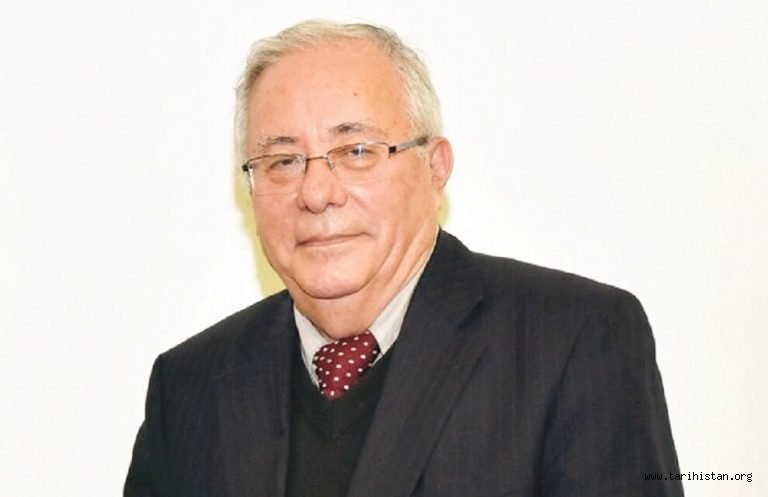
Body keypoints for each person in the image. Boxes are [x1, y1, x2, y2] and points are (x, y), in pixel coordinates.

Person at [125, 20, 683, 497]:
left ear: (435, 168)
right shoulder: (190, 385)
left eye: (356, 151)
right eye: (282, 161)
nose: (316, 193)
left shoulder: (572, 340)